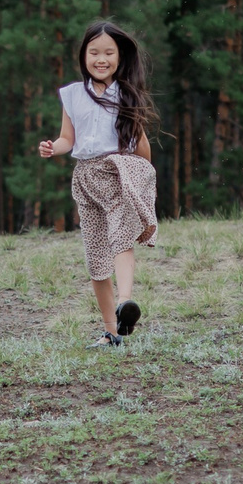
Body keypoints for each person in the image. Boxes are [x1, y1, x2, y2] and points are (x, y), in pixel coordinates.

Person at [37, 20, 159, 347]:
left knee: (122, 240)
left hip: (117, 172)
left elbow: (141, 147)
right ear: (83, 56)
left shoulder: (126, 96)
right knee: (96, 258)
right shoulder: (73, 95)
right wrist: (53, 148)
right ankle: (113, 332)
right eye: (94, 52)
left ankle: (126, 302)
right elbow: (67, 139)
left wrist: (142, 176)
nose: (100, 59)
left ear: (120, 58)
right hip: (86, 178)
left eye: (108, 52)